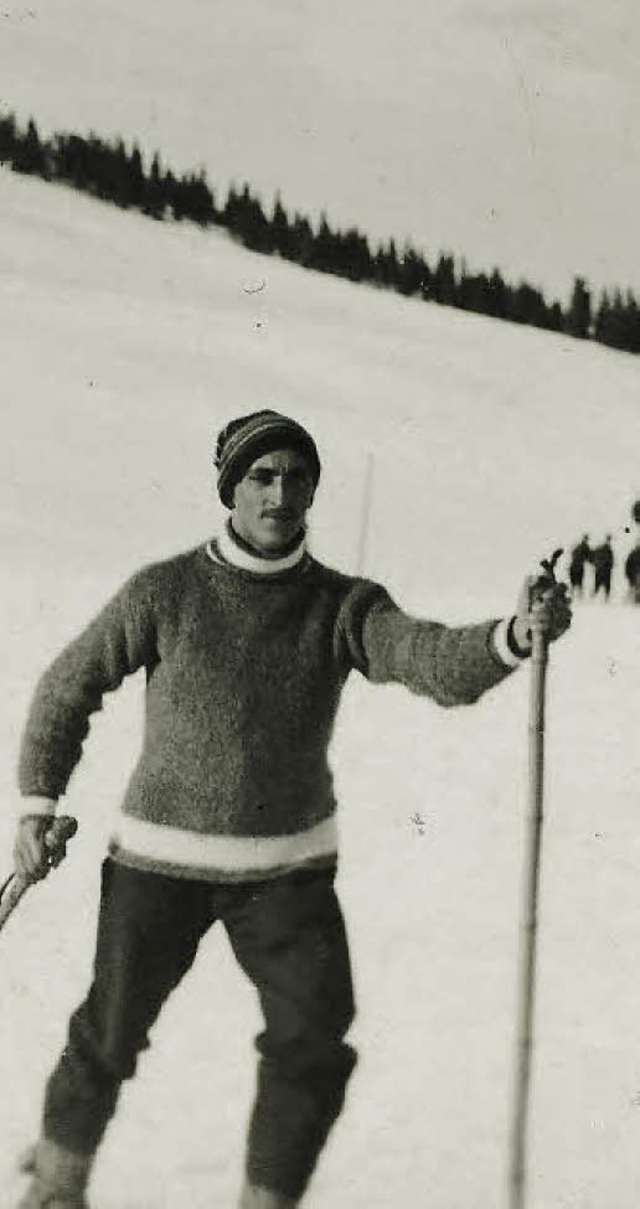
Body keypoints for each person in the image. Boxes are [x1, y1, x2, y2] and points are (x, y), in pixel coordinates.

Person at [13, 409, 572, 1209]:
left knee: (312, 1040)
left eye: (296, 476)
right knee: (106, 1032)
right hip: (155, 865)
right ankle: (55, 1190)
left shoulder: (340, 605)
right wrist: (37, 804)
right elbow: (70, 683)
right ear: (230, 490)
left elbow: (425, 656)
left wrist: (512, 636)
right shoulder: (165, 592)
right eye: (261, 476)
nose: (281, 493)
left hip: (286, 871)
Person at [591, 535, 614, 600]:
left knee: (603, 586)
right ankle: (594, 599)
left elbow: (611, 561)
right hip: (602, 570)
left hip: (604, 570)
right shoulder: (604, 549)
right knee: (599, 586)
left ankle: (604, 599)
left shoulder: (608, 549)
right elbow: (595, 558)